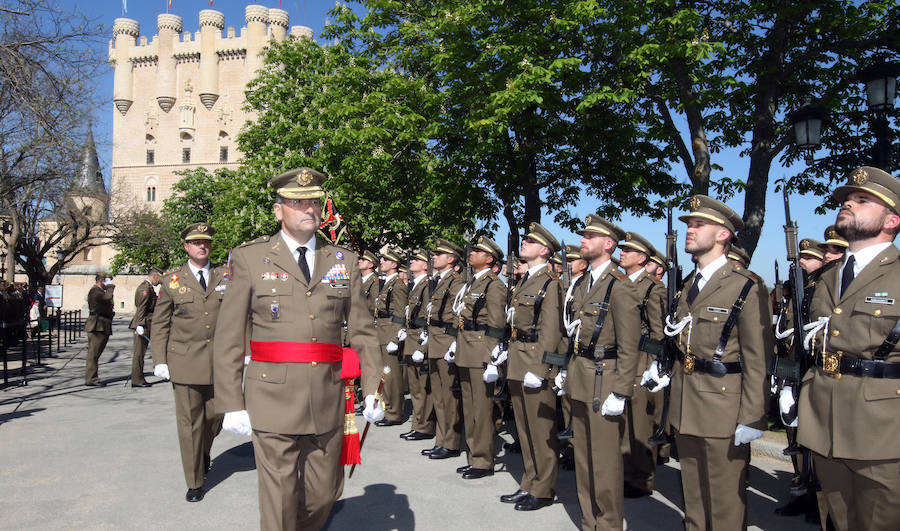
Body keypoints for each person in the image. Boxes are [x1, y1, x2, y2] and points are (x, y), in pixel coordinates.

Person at [213, 168, 382, 530]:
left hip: (327, 397)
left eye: (313, 202)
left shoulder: (343, 261)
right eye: (296, 202)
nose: (308, 209)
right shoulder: (249, 259)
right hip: (271, 398)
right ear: (278, 211)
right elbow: (228, 337)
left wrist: (373, 390)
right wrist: (230, 403)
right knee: (280, 499)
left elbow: (364, 332)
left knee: (325, 494)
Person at [643, 195, 772, 531]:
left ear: (722, 235)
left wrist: (754, 415)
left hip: (723, 405)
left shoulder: (745, 285)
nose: (690, 230)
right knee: (694, 497)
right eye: (689, 224)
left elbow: (758, 357)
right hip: (687, 401)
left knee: (725, 501)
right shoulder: (687, 287)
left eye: (699, 225)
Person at [791, 167, 900, 530]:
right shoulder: (827, 278)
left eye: (863, 200)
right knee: (837, 522)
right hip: (824, 422)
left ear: (892, 219)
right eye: (846, 200)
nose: (849, 202)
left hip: (882, 431)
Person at [557, 216, 642, 529]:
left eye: (589, 236)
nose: (582, 240)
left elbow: (630, 346)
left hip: (604, 380)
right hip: (580, 375)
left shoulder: (620, 287)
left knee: (605, 462)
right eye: (583, 235)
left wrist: (621, 391)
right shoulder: (582, 284)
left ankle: (607, 524)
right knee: (583, 457)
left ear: (608, 244)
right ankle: (589, 520)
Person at [151, 223, 226, 502]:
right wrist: (159, 359)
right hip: (184, 362)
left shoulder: (226, 276)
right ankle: (195, 481)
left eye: (205, 242)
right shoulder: (172, 280)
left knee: (216, 417)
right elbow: (160, 325)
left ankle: (202, 450)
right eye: (195, 242)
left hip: (220, 363)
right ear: (186, 246)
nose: (201, 246)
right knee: (190, 424)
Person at [500, 223, 564, 511]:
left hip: (534, 362)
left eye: (530, 241)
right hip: (517, 359)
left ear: (544, 251)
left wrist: (542, 369)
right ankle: (529, 481)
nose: (523, 243)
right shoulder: (526, 281)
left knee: (541, 431)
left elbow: (551, 331)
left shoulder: (550, 284)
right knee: (524, 430)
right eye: (524, 239)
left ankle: (543, 488)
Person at [450, 236, 505, 479]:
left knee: (481, 409)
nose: (471, 254)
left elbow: (496, 323)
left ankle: (483, 460)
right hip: (466, 349)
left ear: (489, 259)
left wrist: (492, 357)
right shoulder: (473, 283)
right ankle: (474, 455)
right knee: (470, 406)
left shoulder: (494, 285)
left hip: (480, 351)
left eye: (478, 251)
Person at [618, 231, 666, 498]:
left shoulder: (652, 287)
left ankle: (642, 478)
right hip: (623, 357)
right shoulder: (622, 283)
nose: (622, 253)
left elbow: (658, 332)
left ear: (642, 258)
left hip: (641, 359)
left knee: (639, 423)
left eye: (628, 250)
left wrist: (654, 365)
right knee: (623, 422)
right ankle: (626, 472)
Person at [422, 239, 465, 460]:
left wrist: (454, 342)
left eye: (439, 255)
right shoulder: (439, 281)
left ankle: (451, 442)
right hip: (434, 341)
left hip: (445, 341)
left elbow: (457, 314)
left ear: (451, 260)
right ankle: (441, 440)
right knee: (438, 396)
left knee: (449, 398)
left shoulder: (455, 282)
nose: (434, 257)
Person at [399, 249, 435, 441]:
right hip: (411, 338)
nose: (412, 262)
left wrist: (423, 345)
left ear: (425, 266)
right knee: (414, 387)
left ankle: (424, 426)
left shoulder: (428, 286)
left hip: (419, 339)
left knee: (422, 387)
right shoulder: (416, 286)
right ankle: (417, 424)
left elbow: (427, 318)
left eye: (417, 260)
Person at [374, 247, 409, 427]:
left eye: (385, 260)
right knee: (385, 374)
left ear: (394, 264)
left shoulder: (397, 285)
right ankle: (387, 408)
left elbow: (400, 313)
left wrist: (395, 338)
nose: (381, 262)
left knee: (392, 376)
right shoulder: (388, 283)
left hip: (389, 332)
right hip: (382, 330)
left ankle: (394, 413)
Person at [129, 268, 160, 387]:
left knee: (141, 353)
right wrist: (139, 324)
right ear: (155, 276)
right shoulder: (145, 288)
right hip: (143, 323)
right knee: (139, 354)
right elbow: (141, 308)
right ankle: (137, 380)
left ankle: (138, 378)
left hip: (147, 322)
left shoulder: (149, 287)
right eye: (159, 277)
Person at [84, 273, 115, 386]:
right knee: (93, 353)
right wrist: (111, 288)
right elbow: (106, 298)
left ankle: (92, 377)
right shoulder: (95, 291)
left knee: (96, 353)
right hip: (97, 325)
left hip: (102, 324)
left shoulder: (99, 291)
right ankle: (91, 379)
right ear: (102, 281)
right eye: (108, 281)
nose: (109, 284)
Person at [359, 249, 380, 317]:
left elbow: (373, 305)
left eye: (363, 260)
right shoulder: (357, 280)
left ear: (370, 265)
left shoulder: (375, 282)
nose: (359, 261)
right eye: (360, 259)